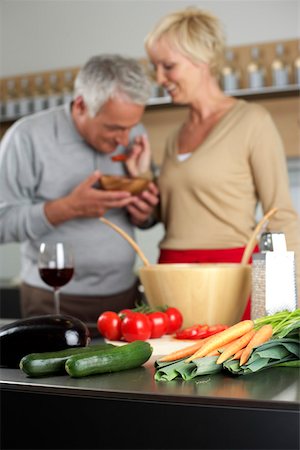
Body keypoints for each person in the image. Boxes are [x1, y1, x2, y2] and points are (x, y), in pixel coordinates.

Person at [144, 7, 300, 318]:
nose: (159, 78)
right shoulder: (176, 135)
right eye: (155, 67)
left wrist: (293, 295)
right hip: (170, 274)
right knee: (167, 366)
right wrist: (141, 188)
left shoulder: (252, 121)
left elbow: (280, 213)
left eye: (168, 66)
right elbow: (176, 213)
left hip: (230, 276)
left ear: (201, 61)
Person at [0, 54, 159, 336]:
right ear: (81, 105)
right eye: (114, 128)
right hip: (53, 297)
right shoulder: (26, 137)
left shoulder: (134, 135)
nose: (124, 139)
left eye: (131, 126)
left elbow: (149, 219)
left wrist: (145, 213)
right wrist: (68, 207)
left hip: (125, 297)